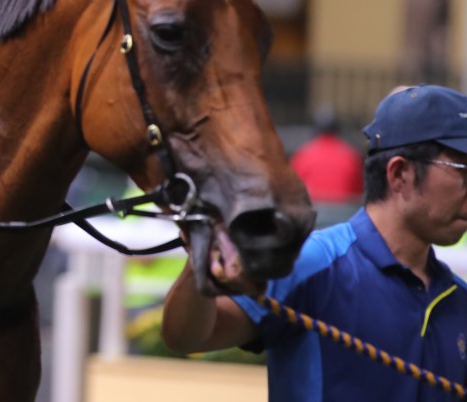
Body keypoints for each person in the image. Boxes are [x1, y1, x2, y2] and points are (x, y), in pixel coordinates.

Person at [160, 84, 467, 401]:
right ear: (399, 173)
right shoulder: (311, 264)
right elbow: (188, 336)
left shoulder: (457, 299)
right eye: (464, 170)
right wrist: (201, 255)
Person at [289, 106, 363, 225]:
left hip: (313, 225)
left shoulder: (303, 154)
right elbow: (358, 192)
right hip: (344, 224)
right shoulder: (351, 155)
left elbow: (292, 194)